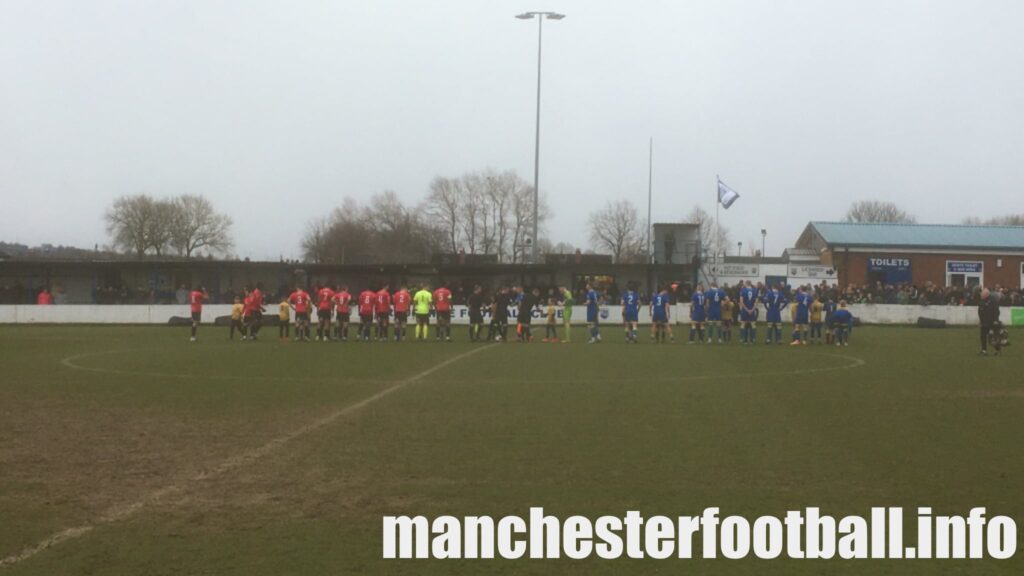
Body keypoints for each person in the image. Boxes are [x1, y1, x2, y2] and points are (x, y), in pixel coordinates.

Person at [978, 288, 1001, 356]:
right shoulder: (982, 301)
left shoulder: (993, 301)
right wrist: (980, 320)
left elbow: (996, 311)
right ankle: (984, 351)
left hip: (991, 322)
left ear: (986, 294)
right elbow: (980, 311)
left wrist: (995, 320)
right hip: (984, 322)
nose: (981, 295)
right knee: (983, 336)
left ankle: (998, 350)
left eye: (982, 294)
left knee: (992, 337)